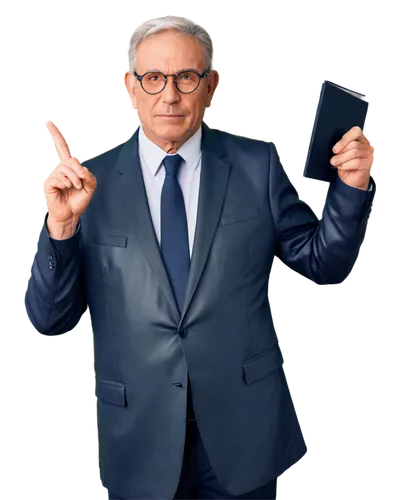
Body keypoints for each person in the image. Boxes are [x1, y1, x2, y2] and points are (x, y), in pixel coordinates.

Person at [24, 14, 376, 500]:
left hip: (243, 435)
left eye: (186, 77)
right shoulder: (90, 185)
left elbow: (323, 264)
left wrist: (351, 189)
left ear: (213, 86)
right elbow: (49, 320)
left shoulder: (257, 166)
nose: (169, 95)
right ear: (129, 87)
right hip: (138, 438)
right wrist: (59, 228)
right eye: (152, 78)